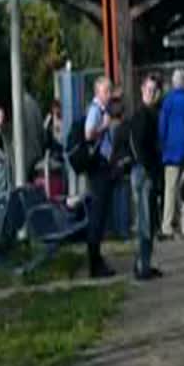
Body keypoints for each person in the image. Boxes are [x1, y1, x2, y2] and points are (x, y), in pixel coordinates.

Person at [125, 75, 162, 280]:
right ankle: (142, 266)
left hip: (147, 170)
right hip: (142, 172)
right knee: (144, 220)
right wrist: (147, 167)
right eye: (148, 90)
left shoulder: (151, 114)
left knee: (147, 220)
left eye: (154, 90)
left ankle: (145, 263)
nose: (152, 94)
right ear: (142, 90)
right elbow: (139, 146)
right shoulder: (142, 116)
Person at [159, 69, 184, 239]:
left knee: (170, 189)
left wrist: (162, 144)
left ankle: (167, 226)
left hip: (171, 150)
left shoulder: (168, 101)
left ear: (174, 83)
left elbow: (162, 126)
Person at [84, 76, 116, 278]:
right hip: (98, 167)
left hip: (104, 165)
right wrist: (104, 126)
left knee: (102, 214)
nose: (109, 95)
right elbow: (89, 134)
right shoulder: (96, 111)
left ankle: (97, 259)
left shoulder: (101, 110)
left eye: (110, 91)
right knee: (98, 213)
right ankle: (94, 262)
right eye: (106, 91)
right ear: (97, 92)